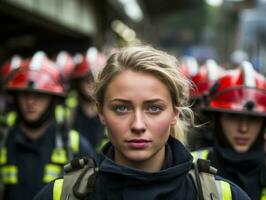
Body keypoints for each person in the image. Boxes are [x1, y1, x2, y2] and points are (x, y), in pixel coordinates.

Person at [34, 46, 250, 200]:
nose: (138, 124)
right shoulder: (61, 195)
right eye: (121, 108)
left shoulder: (223, 196)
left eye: (154, 108)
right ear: (101, 112)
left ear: (175, 113)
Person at [0, 51, 96, 200]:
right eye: (25, 94)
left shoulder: (76, 147)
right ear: (15, 96)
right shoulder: (3, 140)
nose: (30, 102)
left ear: (53, 99)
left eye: (39, 95)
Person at [192, 61, 266, 200]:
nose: (243, 128)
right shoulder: (190, 166)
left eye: (253, 119)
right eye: (233, 116)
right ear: (216, 119)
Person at [66, 47, 106, 150]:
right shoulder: (67, 110)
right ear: (77, 82)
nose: (91, 84)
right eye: (86, 79)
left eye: (95, 80)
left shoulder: (111, 111)